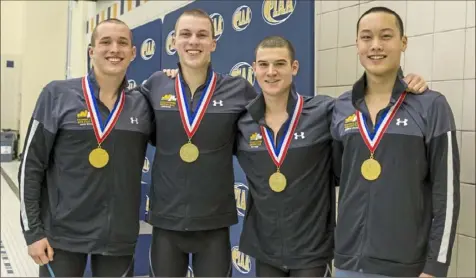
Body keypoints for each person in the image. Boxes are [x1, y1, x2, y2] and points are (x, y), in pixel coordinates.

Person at [19, 18, 154, 277]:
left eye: (122, 43)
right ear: (91, 51)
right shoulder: (57, 95)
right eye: (105, 42)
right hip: (62, 235)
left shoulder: (142, 104)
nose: (114, 49)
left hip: (118, 236)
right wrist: (33, 232)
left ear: (133, 53)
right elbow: (31, 166)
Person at [331, 6, 460, 278]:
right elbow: (341, 176)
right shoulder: (341, 107)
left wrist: (435, 266)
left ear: (403, 43)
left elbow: (446, 194)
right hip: (347, 263)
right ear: (357, 45)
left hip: (406, 266)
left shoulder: (431, 105)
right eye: (366, 37)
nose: (375, 45)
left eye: (386, 36)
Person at [139, 9, 257, 277]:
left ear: (213, 44)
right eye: (186, 34)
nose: (193, 41)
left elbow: (272, 127)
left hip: (214, 223)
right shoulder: (156, 85)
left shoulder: (238, 90)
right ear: (174, 42)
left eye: (202, 35)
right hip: (166, 221)